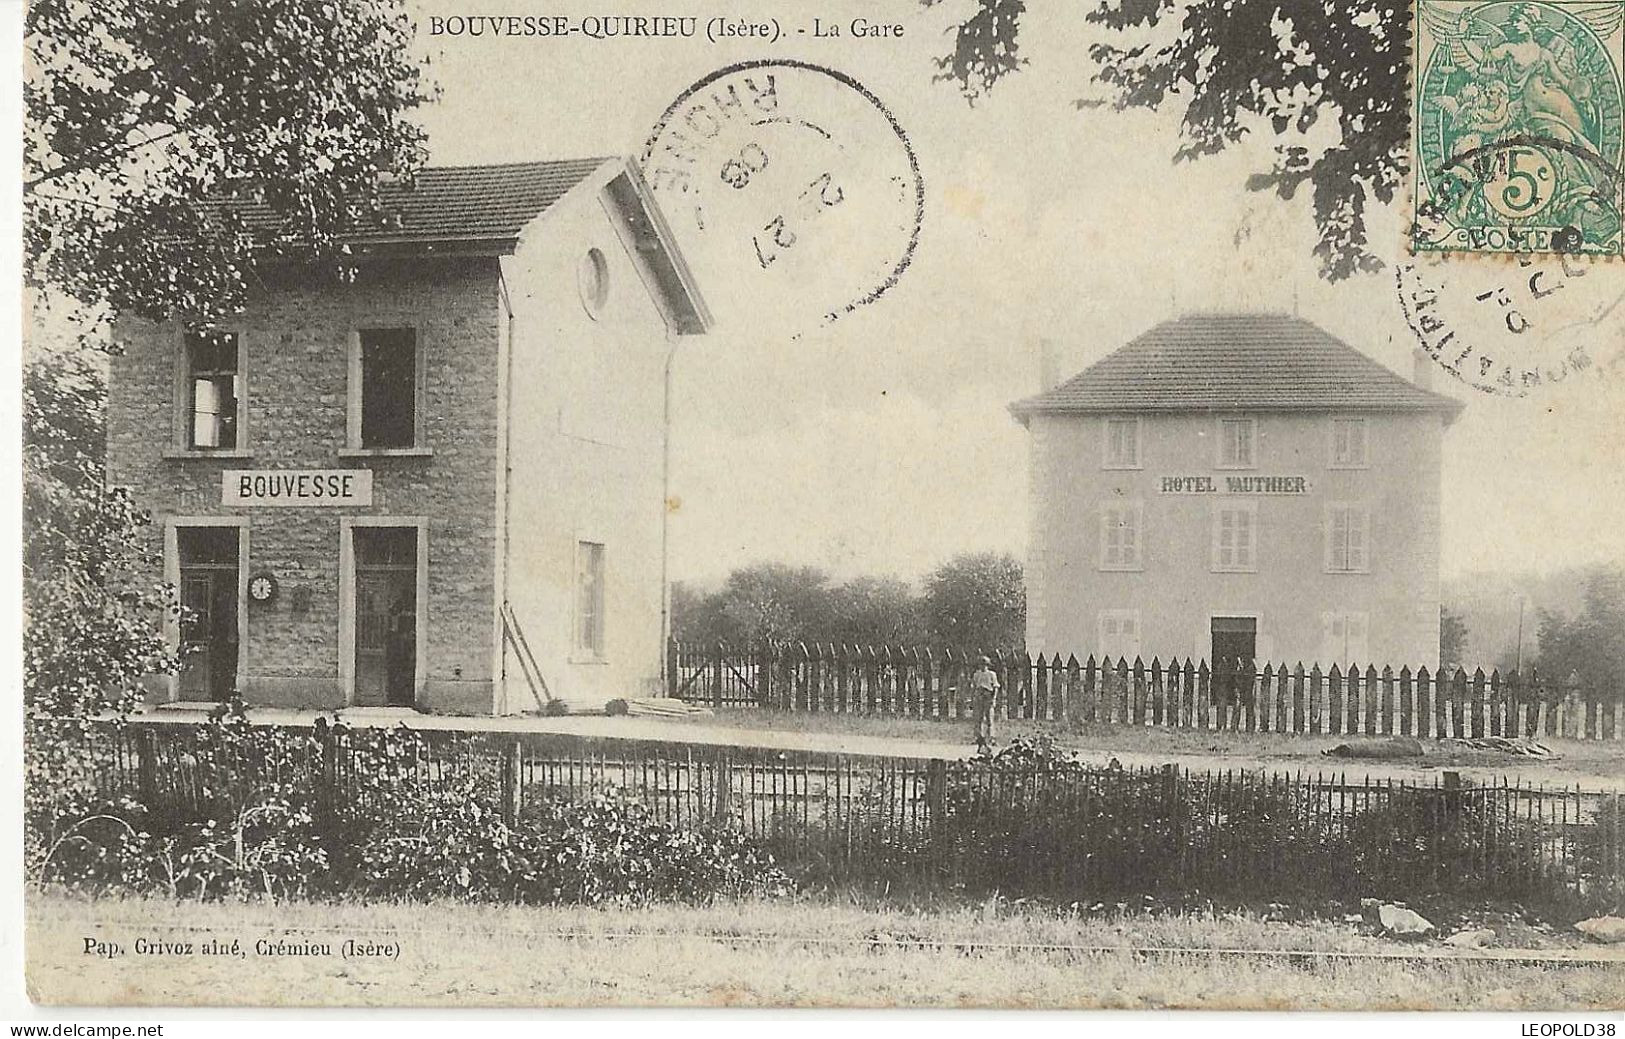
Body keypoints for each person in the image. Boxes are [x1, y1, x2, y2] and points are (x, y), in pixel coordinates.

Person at [968, 655, 1001, 750]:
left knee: (989, 719)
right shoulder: (976, 674)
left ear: (988, 665)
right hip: (979, 697)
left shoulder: (992, 674)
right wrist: (972, 699)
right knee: (978, 719)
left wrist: (993, 699)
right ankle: (978, 737)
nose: (983, 666)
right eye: (981, 664)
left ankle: (992, 738)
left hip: (988, 696)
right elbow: (973, 688)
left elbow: (995, 687)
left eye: (985, 664)